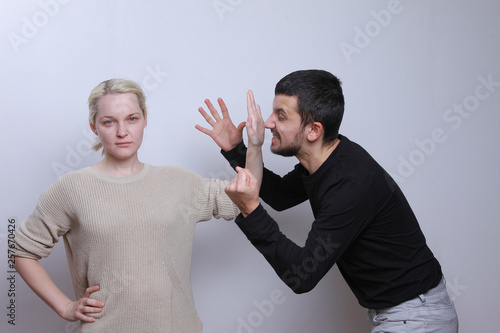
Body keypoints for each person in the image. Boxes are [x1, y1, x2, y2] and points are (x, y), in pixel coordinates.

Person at [196, 69, 459, 332]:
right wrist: (236, 149)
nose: (267, 122)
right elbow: (279, 195)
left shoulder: (350, 184)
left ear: (313, 130)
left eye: (281, 115)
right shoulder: (327, 161)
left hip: (417, 318)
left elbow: (302, 275)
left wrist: (250, 209)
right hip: (407, 313)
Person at [14, 78, 239, 333]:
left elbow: (247, 196)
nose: (122, 132)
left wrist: (244, 149)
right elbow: (22, 250)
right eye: (109, 122)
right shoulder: (72, 188)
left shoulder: (180, 182)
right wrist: (65, 307)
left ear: (145, 119)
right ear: (94, 126)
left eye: (132, 119)